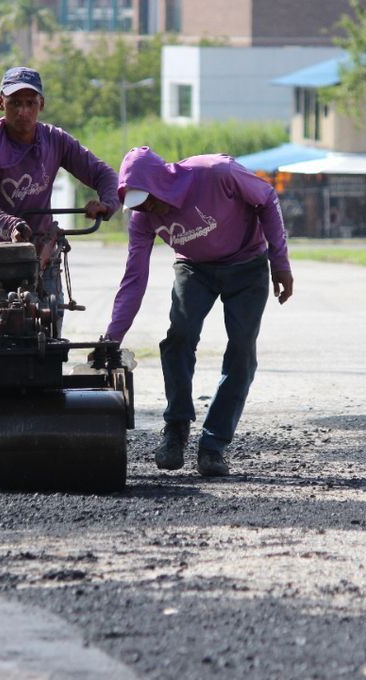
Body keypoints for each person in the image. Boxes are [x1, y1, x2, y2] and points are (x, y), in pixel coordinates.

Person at [104, 146, 294, 477]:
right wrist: (112, 337)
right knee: (180, 336)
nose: (147, 208)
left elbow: (267, 198)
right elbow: (134, 278)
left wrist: (280, 263)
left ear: (161, 181)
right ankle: (175, 430)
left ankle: (213, 445)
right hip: (194, 269)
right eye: (137, 203)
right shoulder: (143, 218)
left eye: (148, 198)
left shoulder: (216, 173)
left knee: (241, 350)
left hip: (246, 262)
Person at [0, 66, 120, 296]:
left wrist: (107, 204)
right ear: (1, 103)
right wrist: (12, 227)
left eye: (31, 103)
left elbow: (104, 175)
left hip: (42, 253)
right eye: (15, 103)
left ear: (42, 104)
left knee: (47, 318)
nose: (23, 111)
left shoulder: (55, 140)